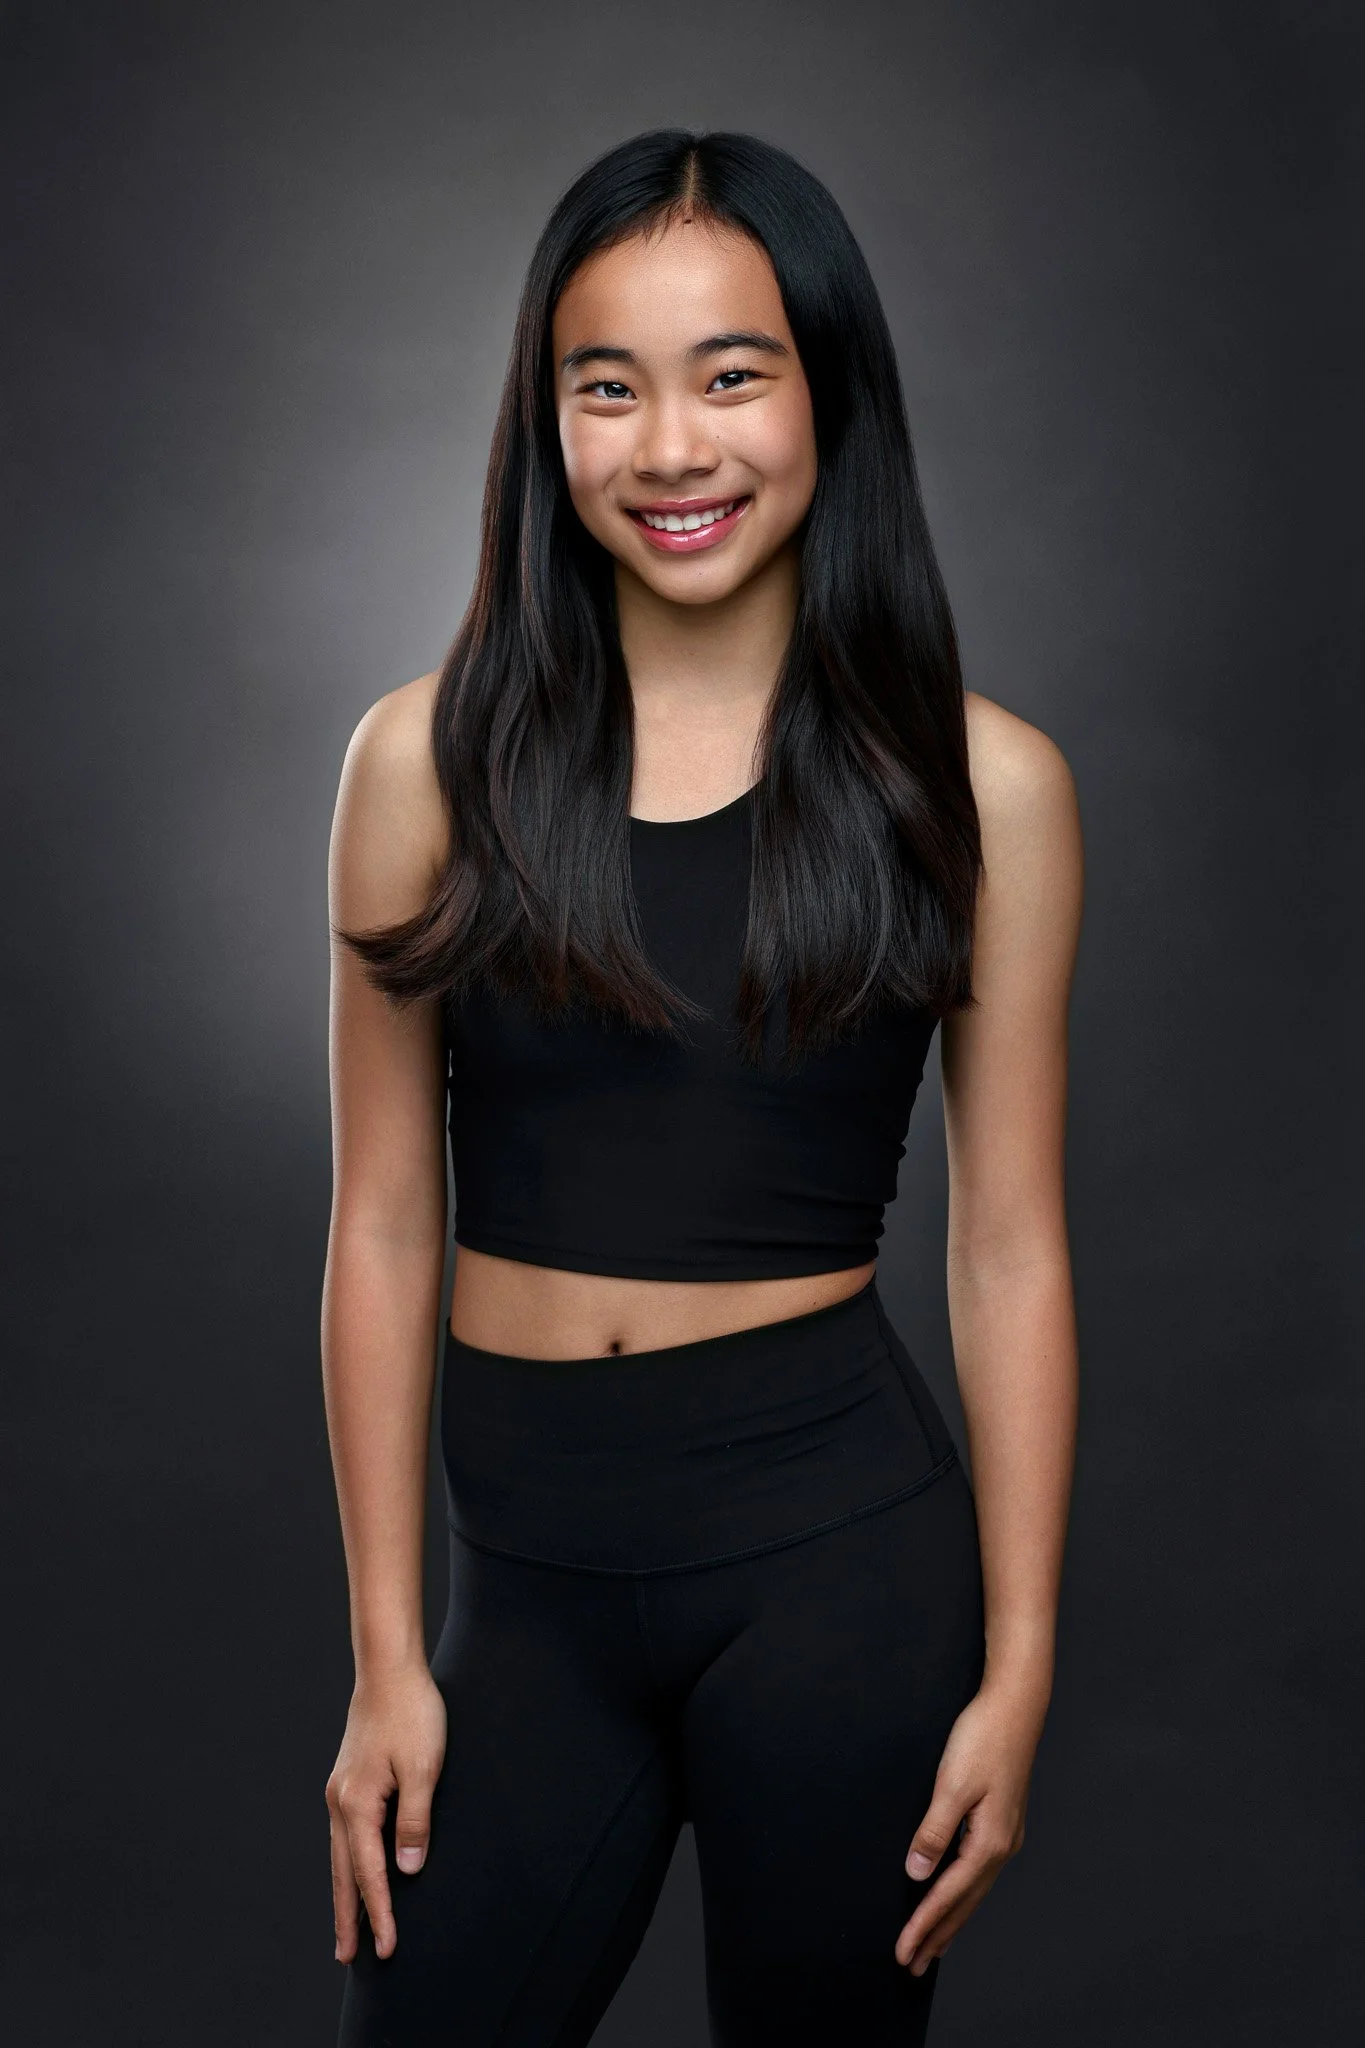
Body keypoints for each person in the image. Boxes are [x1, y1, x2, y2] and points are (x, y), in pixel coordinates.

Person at [321, 128, 1082, 2048]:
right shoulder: (421, 765)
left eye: (733, 374)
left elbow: (1006, 1250)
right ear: (544, 419)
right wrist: (386, 1658)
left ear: (830, 391)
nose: (673, 447)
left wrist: (1020, 1664)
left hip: (836, 1564)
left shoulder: (981, 788)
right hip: (527, 1580)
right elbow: (386, 1219)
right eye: (609, 385)